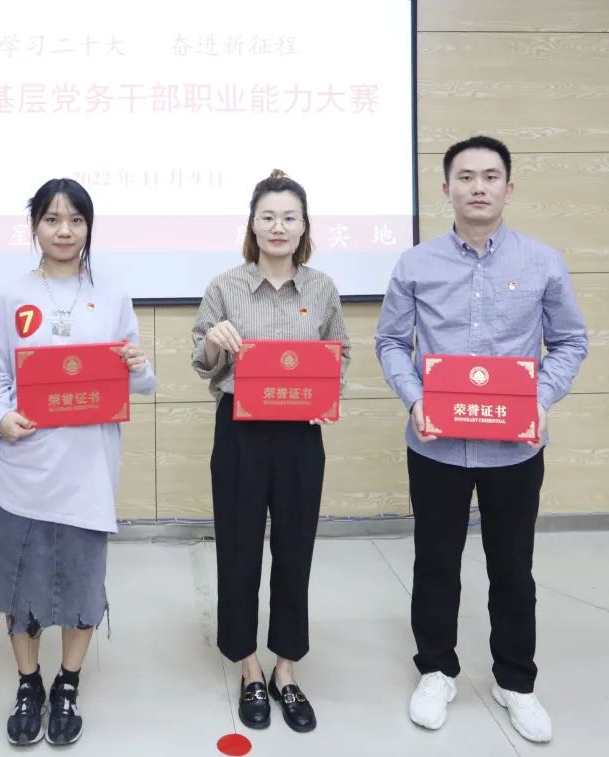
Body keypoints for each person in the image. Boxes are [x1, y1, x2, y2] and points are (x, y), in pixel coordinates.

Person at [375, 135, 588, 744]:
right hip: (436, 443)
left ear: (509, 188)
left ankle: (515, 680)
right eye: (465, 177)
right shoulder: (416, 264)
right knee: (435, 561)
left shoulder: (543, 261)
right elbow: (391, 341)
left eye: (490, 176)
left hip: (514, 447)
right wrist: (415, 398)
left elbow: (570, 341)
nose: (478, 187)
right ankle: (436, 670)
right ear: (446, 189)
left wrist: (540, 399)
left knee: (513, 565)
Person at [0, 178, 156, 747]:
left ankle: (68, 682)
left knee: (81, 584)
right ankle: (29, 683)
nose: (64, 230)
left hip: (86, 470)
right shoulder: (14, 296)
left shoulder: (113, 296)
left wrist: (138, 366)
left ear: (89, 227)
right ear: (34, 228)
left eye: (75, 219)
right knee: (16, 583)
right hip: (23, 467)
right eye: (52, 219)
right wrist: (0, 419)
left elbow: (136, 381)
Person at [190, 170, 351, 733]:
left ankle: (286, 667)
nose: (278, 226)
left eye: (289, 217)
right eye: (268, 217)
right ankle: (248, 666)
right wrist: (215, 343)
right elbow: (201, 359)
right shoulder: (225, 287)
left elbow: (340, 354)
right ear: (252, 225)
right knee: (238, 549)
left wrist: (326, 393)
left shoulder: (323, 289)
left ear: (304, 226)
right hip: (240, 431)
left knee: (295, 549)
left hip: (301, 434)